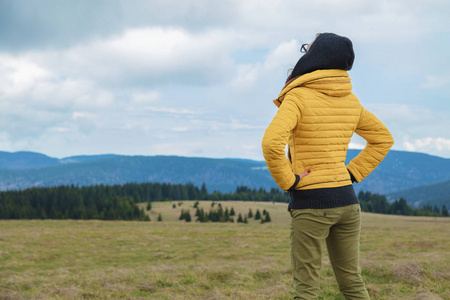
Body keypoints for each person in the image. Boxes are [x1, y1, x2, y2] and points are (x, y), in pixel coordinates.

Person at [261, 33, 394, 299]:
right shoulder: (351, 100)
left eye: (307, 48)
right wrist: (351, 173)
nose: (304, 52)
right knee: (352, 283)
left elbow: (271, 143)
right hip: (347, 201)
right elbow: (383, 139)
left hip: (312, 203)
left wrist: (290, 182)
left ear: (318, 55)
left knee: (307, 289)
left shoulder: (297, 97)